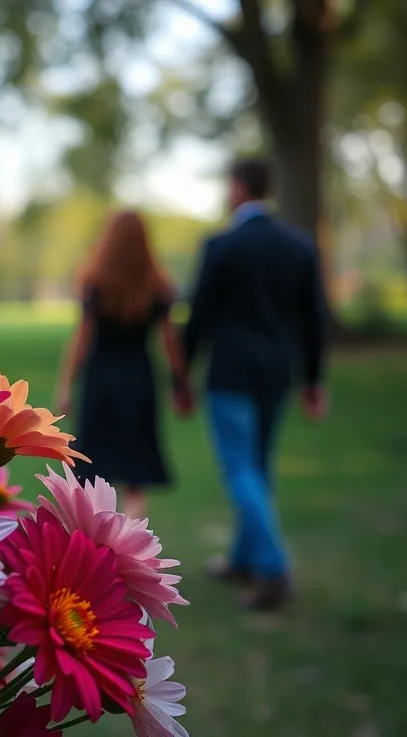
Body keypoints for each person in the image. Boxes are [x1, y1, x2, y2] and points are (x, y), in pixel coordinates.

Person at [177, 157, 329, 611]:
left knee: (240, 467)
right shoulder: (299, 246)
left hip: (232, 374)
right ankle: (242, 560)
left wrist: (180, 374)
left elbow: (199, 317)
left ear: (239, 187)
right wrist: (314, 380)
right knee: (258, 467)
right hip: (278, 375)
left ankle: (273, 566)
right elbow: (314, 319)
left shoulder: (222, 245)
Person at [56, 210, 187, 521]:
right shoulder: (157, 287)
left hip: (101, 380)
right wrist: (179, 383)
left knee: (93, 463)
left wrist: (66, 386)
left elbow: (82, 340)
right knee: (135, 471)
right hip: (140, 380)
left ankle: (95, 539)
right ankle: (132, 541)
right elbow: (169, 341)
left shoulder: (96, 283)